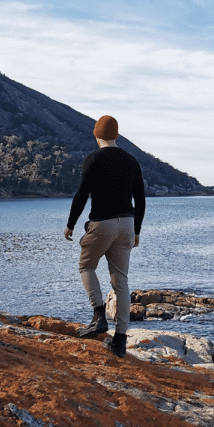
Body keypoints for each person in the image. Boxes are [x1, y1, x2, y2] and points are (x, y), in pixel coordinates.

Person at [64, 115, 146, 358]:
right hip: (127, 224)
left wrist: (70, 224)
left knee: (86, 266)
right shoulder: (132, 161)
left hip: (102, 223)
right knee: (120, 281)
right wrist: (137, 230)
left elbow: (81, 194)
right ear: (116, 135)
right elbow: (140, 200)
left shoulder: (93, 159)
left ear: (96, 135)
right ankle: (120, 340)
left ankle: (99, 316)